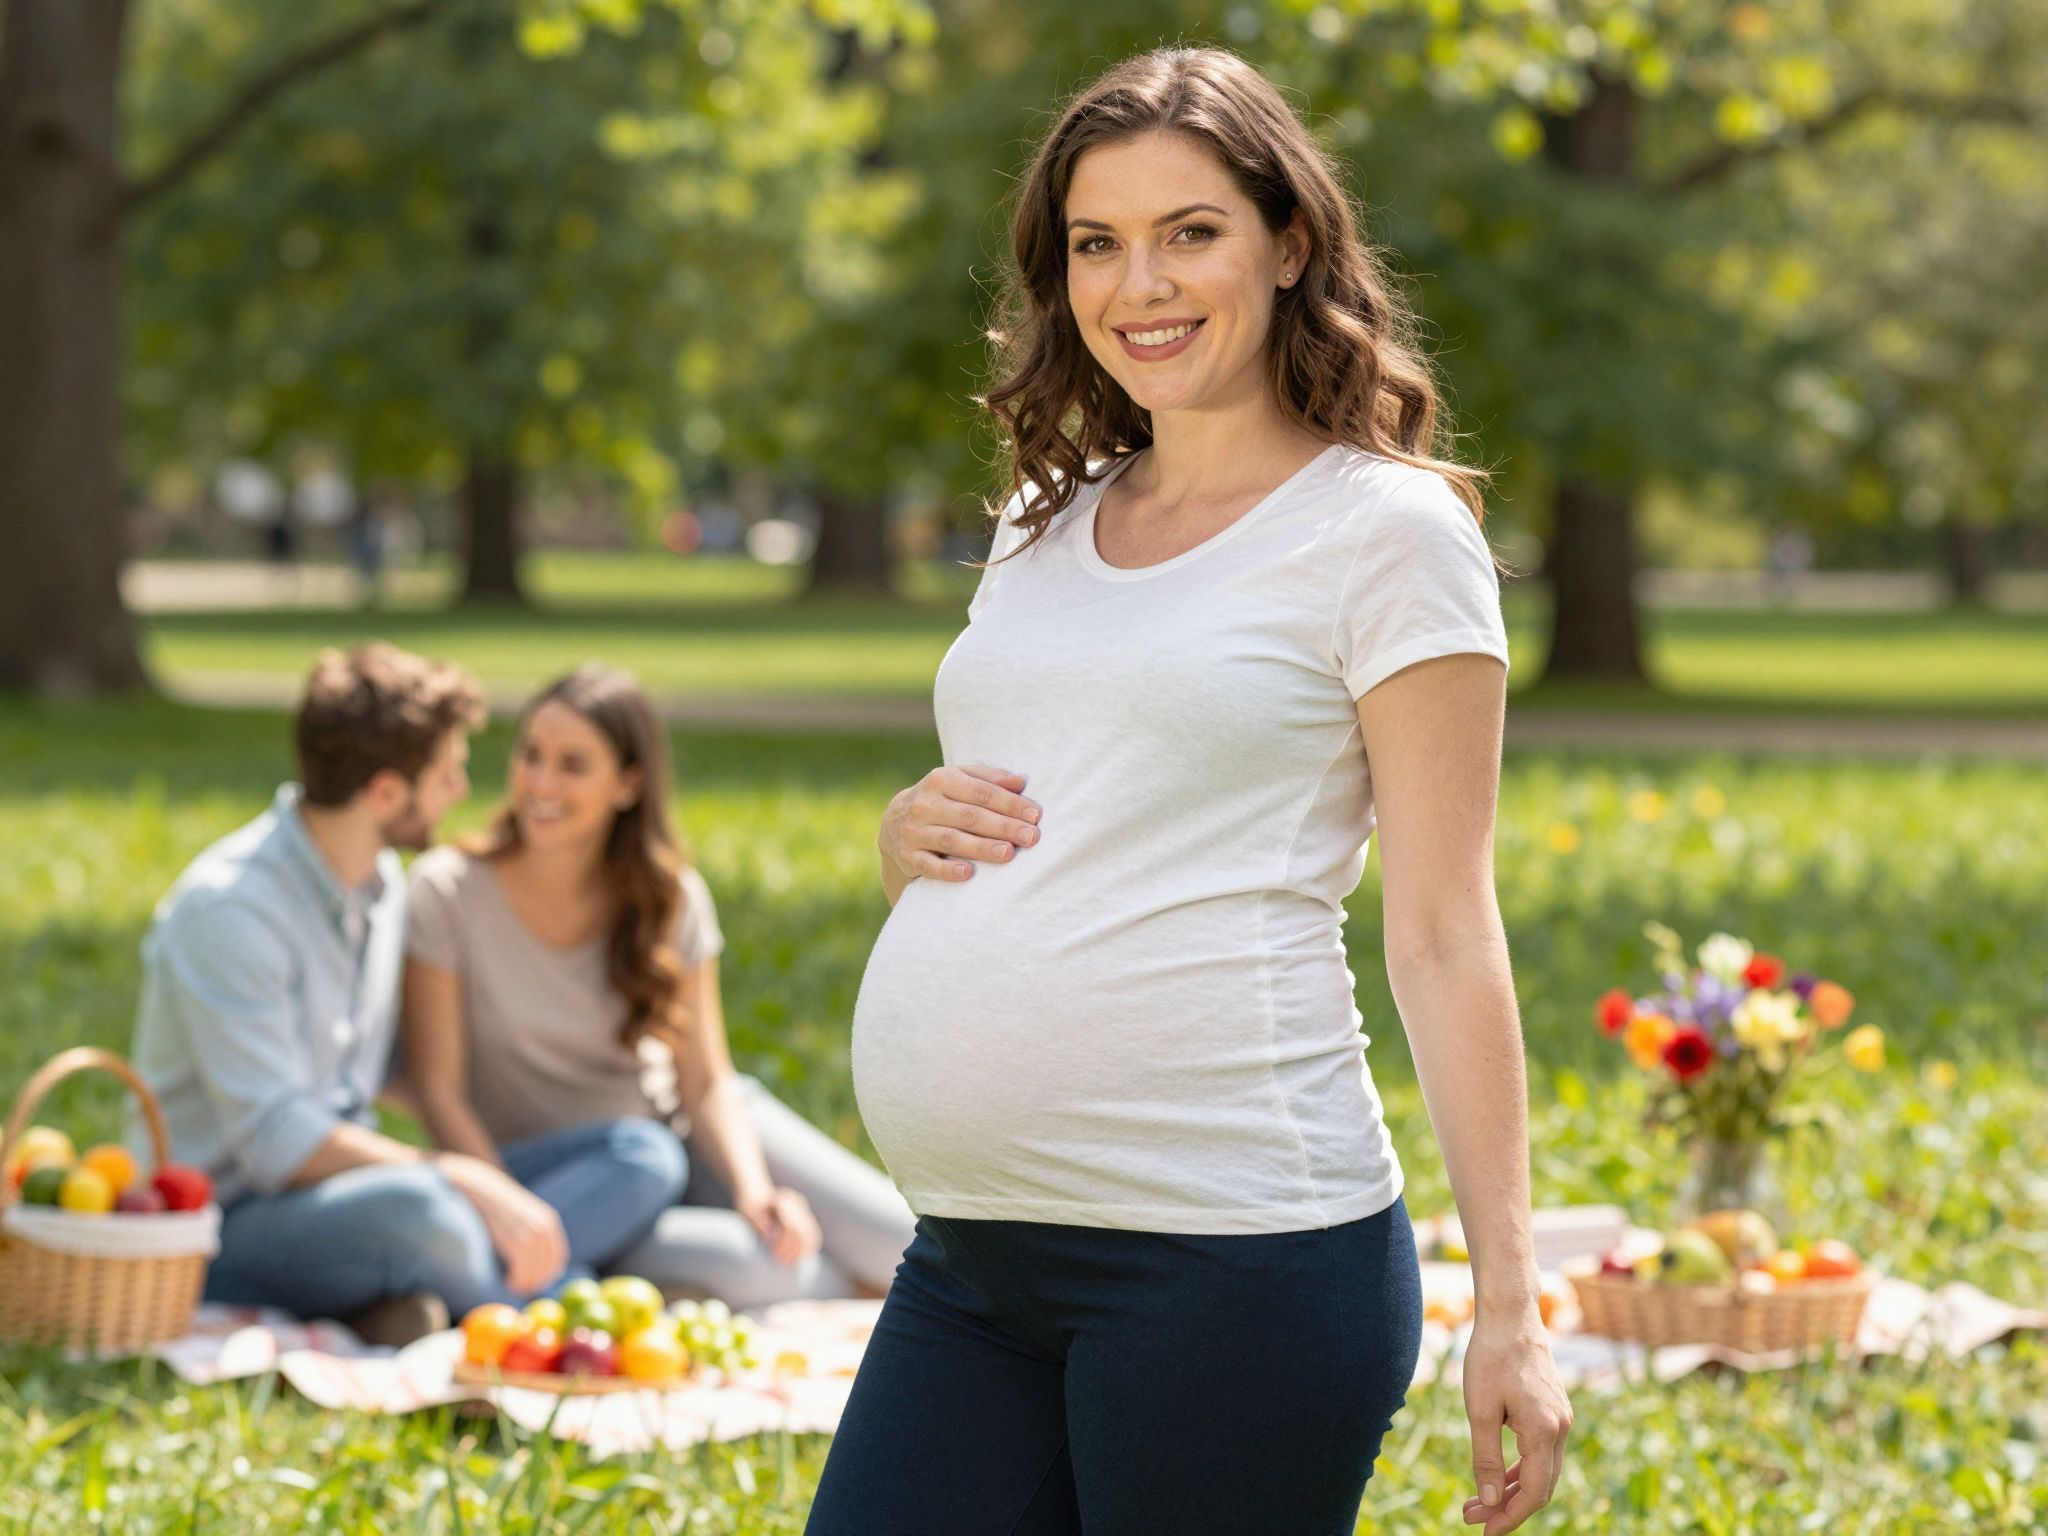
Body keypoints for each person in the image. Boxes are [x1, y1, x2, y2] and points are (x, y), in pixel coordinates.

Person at [806, 47, 1573, 1536]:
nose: (1138, 285)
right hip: (974, 1258)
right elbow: (1084, 780)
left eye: (1189, 232)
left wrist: (1514, 1307)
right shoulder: (1048, 517)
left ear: (1290, 244)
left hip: (1232, 1262)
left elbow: (1441, 929)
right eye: (1098, 244)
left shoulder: (1388, 535)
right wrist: (908, 836)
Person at [125, 644, 685, 1347]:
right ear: (387, 793)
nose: (461, 789)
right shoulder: (231, 912)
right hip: (227, 1224)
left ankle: (440, 1293)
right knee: (424, 1211)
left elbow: (403, 1068)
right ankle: (567, 1318)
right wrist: (459, 1175)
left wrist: (488, 1178)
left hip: (345, 1202)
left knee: (642, 1155)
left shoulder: (383, 887)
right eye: (447, 773)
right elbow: (275, 1144)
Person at [398, 663, 916, 1310]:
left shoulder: (668, 899)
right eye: (530, 755)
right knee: (776, 1274)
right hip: (571, 1185)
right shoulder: (448, 892)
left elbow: (705, 1081)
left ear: (629, 784)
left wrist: (756, 1191)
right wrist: (512, 1212)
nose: (540, 781)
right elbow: (439, 1093)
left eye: (573, 764)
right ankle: (635, 1275)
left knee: (905, 1242)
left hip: (687, 1134)